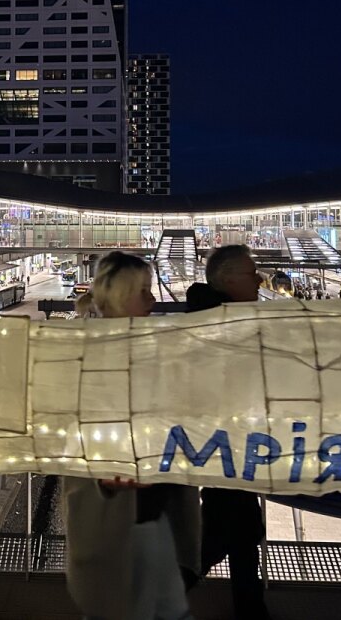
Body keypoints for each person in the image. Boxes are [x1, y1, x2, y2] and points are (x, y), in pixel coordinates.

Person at [63, 251, 200, 620]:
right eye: (143, 290)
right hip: (120, 520)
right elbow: (66, 439)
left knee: (166, 609)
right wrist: (102, 477)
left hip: (155, 512)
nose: (153, 299)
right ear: (121, 297)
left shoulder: (154, 351)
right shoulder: (84, 358)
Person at [184, 245, 270, 620]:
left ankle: (250, 606)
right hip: (224, 441)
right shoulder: (220, 322)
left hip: (235, 439)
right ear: (230, 279)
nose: (259, 279)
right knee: (226, 530)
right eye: (252, 273)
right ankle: (155, 597)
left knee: (239, 528)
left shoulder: (223, 316)